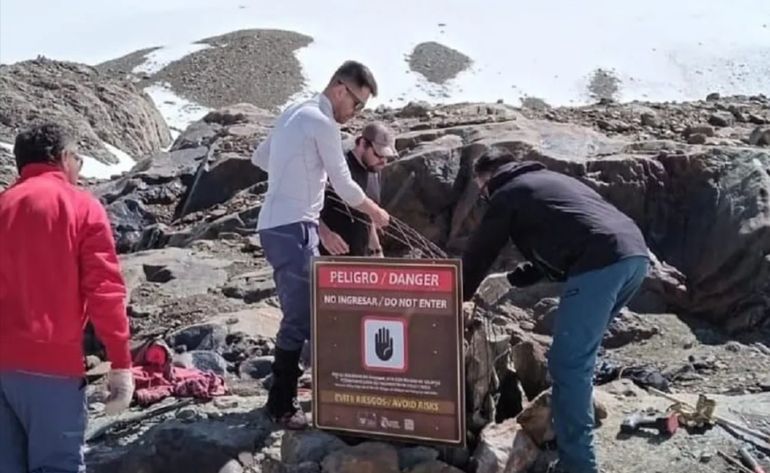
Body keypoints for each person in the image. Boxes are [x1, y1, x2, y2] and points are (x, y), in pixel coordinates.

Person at [461, 151, 649, 473]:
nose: (484, 197)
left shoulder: (506, 192)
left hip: (600, 263)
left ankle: (578, 465)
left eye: (481, 191)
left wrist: (455, 296)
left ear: (489, 179)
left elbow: (480, 252)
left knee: (567, 363)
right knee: (579, 360)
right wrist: (509, 279)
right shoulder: (550, 181)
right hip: (635, 257)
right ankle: (567, 434)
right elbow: (561, 243)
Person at [251, 60, 390, 428]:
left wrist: (295, 176)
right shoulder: (323, 122)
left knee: (311, 311)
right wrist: (374, 211)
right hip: (294, 227)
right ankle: (280, 406)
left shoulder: (295, 111)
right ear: (340, 89)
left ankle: (317, 390)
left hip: (280, 225)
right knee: (301, 316)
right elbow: (344, 186)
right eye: (357, 104)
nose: (356, 113)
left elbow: (260, 157)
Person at [0, 123, 134, 473]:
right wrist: (121, 363)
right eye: (78, 158)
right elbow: (105, 291)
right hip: (51, 367)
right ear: (62, 159)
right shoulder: (81, 206)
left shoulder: (3, 204)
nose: (79, 167)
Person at [319, 122, 397, 257]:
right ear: (362, 143)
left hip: (358, 257)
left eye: (387, 157)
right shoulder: (338, 167)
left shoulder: (373, 169)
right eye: (379, 155)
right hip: (326, 257)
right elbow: (304, 208)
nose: (383, 162)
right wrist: (325, 235)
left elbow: (368, 214)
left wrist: (376, 250)